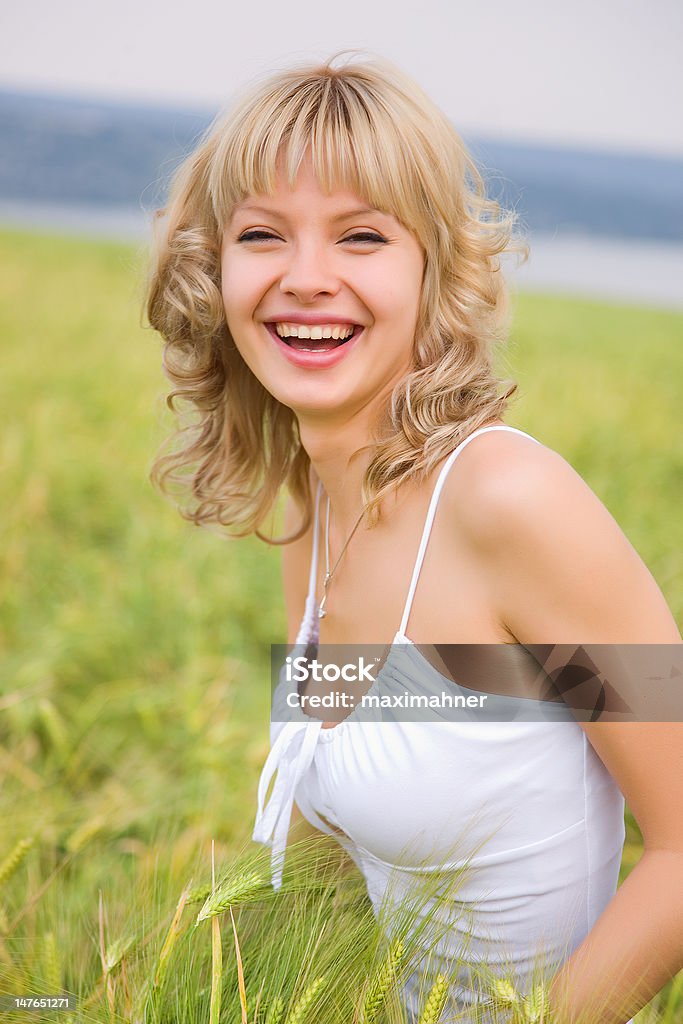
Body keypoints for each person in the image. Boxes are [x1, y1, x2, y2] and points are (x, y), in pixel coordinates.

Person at [145, 51, 683, 1024]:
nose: (305, 279)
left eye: (360, 236)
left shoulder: (506, 501)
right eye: (262, 233)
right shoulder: (316, 510)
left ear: (430, 267)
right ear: (214, 269)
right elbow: (324, 846)